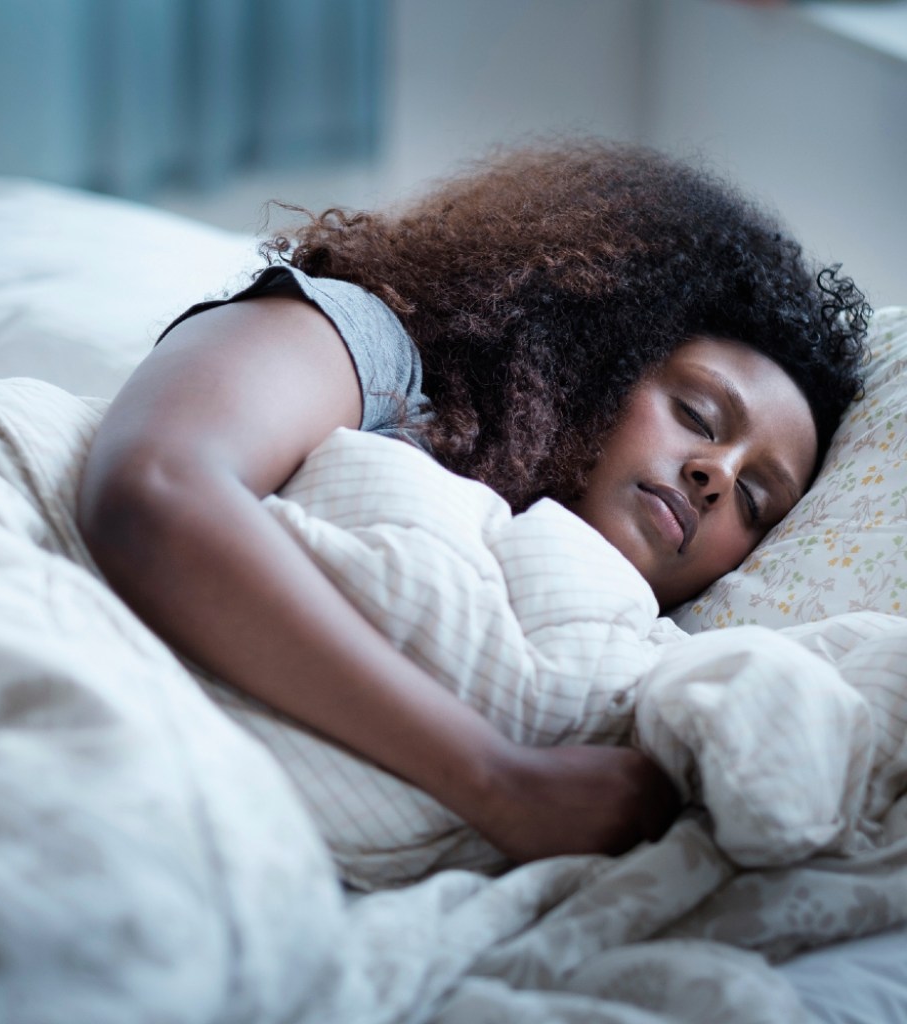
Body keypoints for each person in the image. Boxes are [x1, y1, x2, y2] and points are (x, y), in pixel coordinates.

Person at [77, 142, 869, 866]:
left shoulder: (640, 660)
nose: (716, 475)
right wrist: (499, 782)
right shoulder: (374, 351)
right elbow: (158, 487)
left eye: (756, 499)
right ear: (594, 355)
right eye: (697, 415)